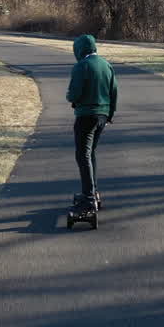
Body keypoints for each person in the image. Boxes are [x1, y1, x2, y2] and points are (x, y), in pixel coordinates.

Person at [66, 34, 118, 210]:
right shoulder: (107, 65)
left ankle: (88, 198)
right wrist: (109, 114)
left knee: (82, 155)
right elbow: (114, 92)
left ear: (79, 50)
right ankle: (93, 191)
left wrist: (70, 97)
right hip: (102, 116)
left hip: (86, 115)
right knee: (90, 153)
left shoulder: (82, 66)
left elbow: (74, 94)